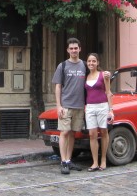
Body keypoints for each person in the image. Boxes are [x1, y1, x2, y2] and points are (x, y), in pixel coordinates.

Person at [52, 38, 86, 174]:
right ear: (67, 50)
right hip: (66, 105)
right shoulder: (63, 66)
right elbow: (58, 86)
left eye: (75, 48)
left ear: (79, 49)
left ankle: (69, 160)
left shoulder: (84, 65)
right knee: (64, 132)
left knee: (73, 133)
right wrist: (58, 105)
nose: (73, 50)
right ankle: (63, 161)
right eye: (71, 48)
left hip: (79, 106)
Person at [84, 52, 114, 171]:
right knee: (92, 134)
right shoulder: (85, 76)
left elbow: (108, 92)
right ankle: (95, 162)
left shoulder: (103, 75)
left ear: (97, 63)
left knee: (103, 132)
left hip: (102, 106)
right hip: (90, 108)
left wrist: (111, 110)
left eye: (93, 61)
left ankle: (103, 160)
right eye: (89, 61)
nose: (91, 63)